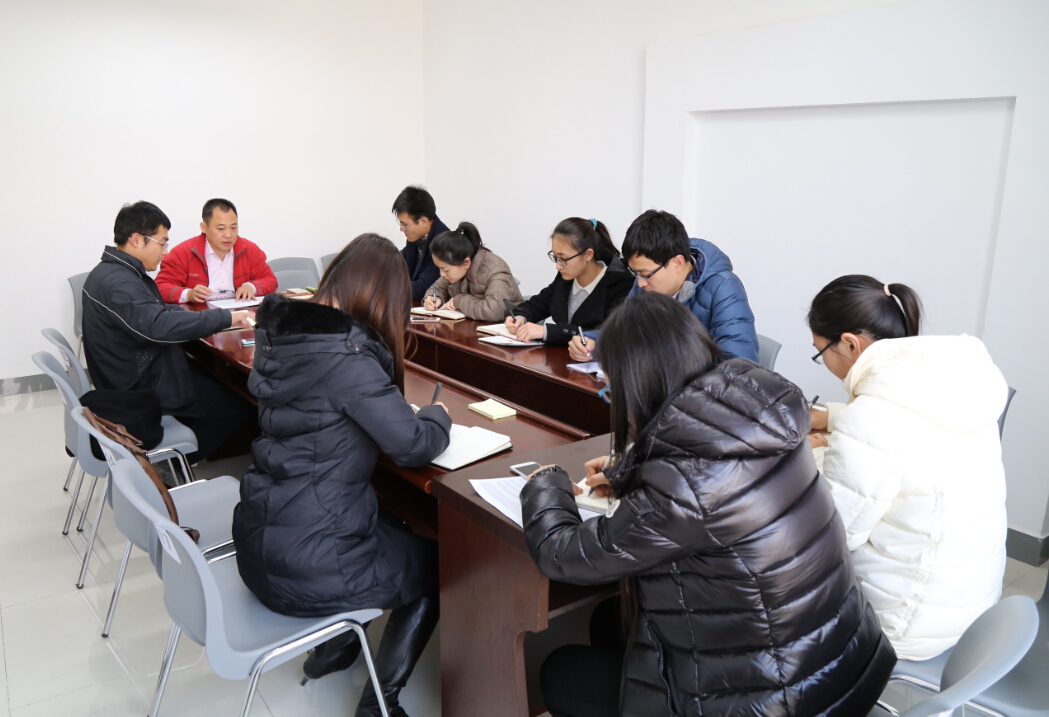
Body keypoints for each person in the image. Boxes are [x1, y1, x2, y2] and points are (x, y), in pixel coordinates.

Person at [521, 293, 895, 717]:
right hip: (841, 661)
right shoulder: (760, 411)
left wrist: (545, 480)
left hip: (782, 700)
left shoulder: (685, 487)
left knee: (560, 671)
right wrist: (628, 473)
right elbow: (708, 470)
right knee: (610, 620)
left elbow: (564, 554)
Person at [232, 233, 451, 717]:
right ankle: (379, 705)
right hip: (308, 567)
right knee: (437, 564)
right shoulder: (347, 359)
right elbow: (413, 445)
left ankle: (332, 652)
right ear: (383, 298)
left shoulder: (282, 338)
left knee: (392, 525)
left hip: (259, 542)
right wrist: (438, 416)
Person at [807, 275, 1008, 661]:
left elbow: (835, 535)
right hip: (974, 605)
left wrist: (801, 457)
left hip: (905, 621)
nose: (824, 363)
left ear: (849, 343)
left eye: (821, 352)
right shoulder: (955, 380)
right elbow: (904, 427)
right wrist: (831, 417)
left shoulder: (872, 417)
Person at [81, 201, 255, 463]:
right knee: (238, 405)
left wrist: (205, 316)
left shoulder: (115, 272)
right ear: (136, 240)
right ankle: (168, 467)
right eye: (162, 243)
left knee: (218, 379)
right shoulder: (119, 283)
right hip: (139, 387)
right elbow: (158, 326)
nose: (165, 251)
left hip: (136, 370)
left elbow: (156, 313)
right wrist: (226, 317)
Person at [568, 209, 758, 362]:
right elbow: (624, 332)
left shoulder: (724, 289)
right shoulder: (645, 284)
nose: (640, 282)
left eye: (646, 274)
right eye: (636, 273)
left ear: (677, 263)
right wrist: (593, 344)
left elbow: (738, 365)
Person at [504, 218, 633, 346]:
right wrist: (520, 318)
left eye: (563, 259)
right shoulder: (565, 278)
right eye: (555, 257)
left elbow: (607, 334)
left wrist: (547, 331)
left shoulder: (620, 284)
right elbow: (536, 305)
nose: (558, 266)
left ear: (588, 255)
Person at [155, 198, 278, 304]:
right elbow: (160, 287)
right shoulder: (183, 252)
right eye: (221, 229)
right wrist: (188, 294)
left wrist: (251, 287)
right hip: (200, 317)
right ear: (204, 227)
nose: (228, 235)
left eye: (233, 228)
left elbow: (270, 280)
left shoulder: (249, 250)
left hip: (240, 314)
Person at [421, 221, 524, 321]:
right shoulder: (456, 269)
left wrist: (459, 301)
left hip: (505, 327)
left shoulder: (495, 269)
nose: (441, 274)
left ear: (466, 263)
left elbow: (493, 311)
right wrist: (433, 298)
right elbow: (438, 287)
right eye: (439, 268)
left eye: (445, 269)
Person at [393, 185, 450, 301]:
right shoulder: (416, 238)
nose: (401, 229)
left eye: (405, 224)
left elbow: (423, 288)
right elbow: (396, 264)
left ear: (423, 221)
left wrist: (386, 287)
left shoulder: (445, 244)